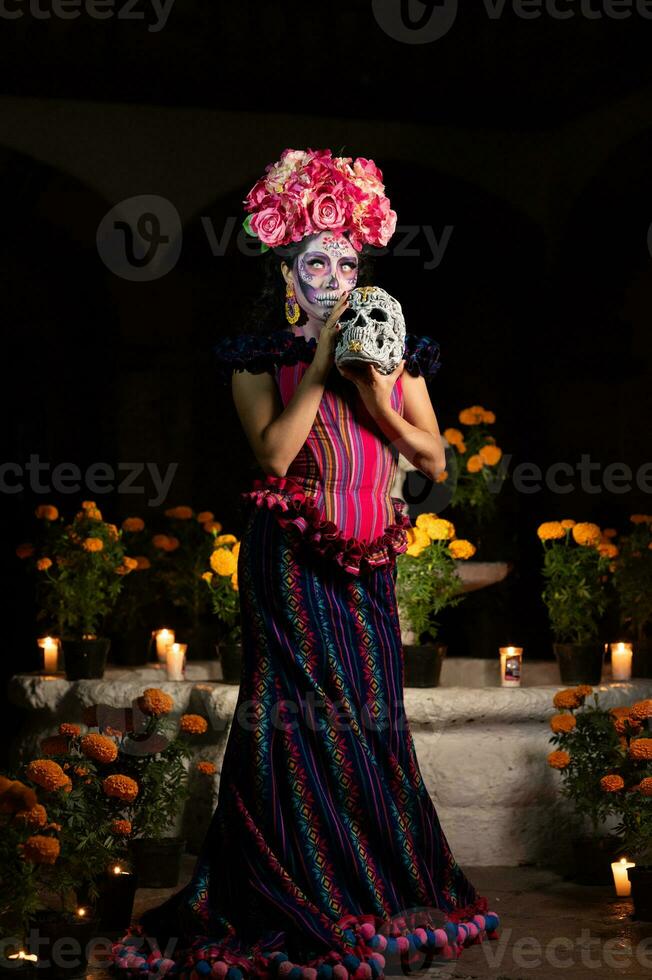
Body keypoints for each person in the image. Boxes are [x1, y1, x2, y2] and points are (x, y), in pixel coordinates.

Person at [109, 148, 500, 980]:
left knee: (370, 719)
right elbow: (275, 458)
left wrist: (373, 398)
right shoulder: (258, 357)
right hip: (288, 557)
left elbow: (433, 463)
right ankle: (295, 890)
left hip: (370, 559)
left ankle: (375, 890)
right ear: (288, 273)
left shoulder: (397, 354)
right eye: (315, 262)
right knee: (292, 726)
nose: (331, 275)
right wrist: (321, 370)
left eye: (346, 261)